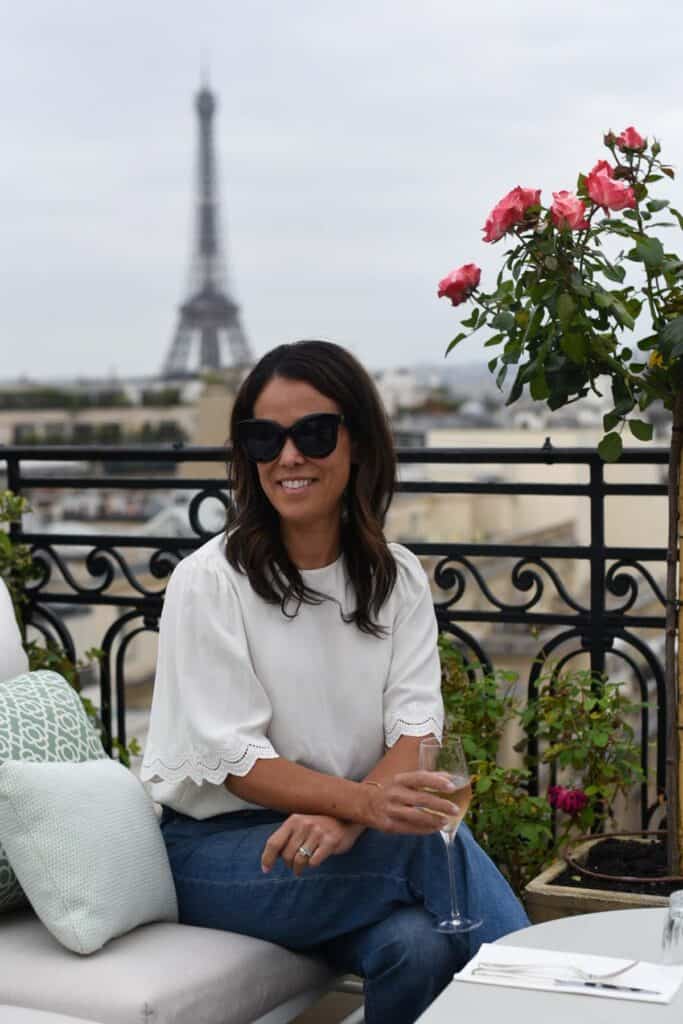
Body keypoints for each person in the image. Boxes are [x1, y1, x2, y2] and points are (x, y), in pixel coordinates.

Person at [141, 340, 528, 1024]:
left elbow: (416, 732)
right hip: (216, 856)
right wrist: (365, 807)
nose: (288, 456)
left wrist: (349, 812)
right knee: (425, 837)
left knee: (417, 945)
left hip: (339, 839)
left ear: (359, 443)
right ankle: (549, 1003)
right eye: (265, 438)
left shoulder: (397, 577)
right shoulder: (211, 580)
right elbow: (240, 764)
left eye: (313, 433)